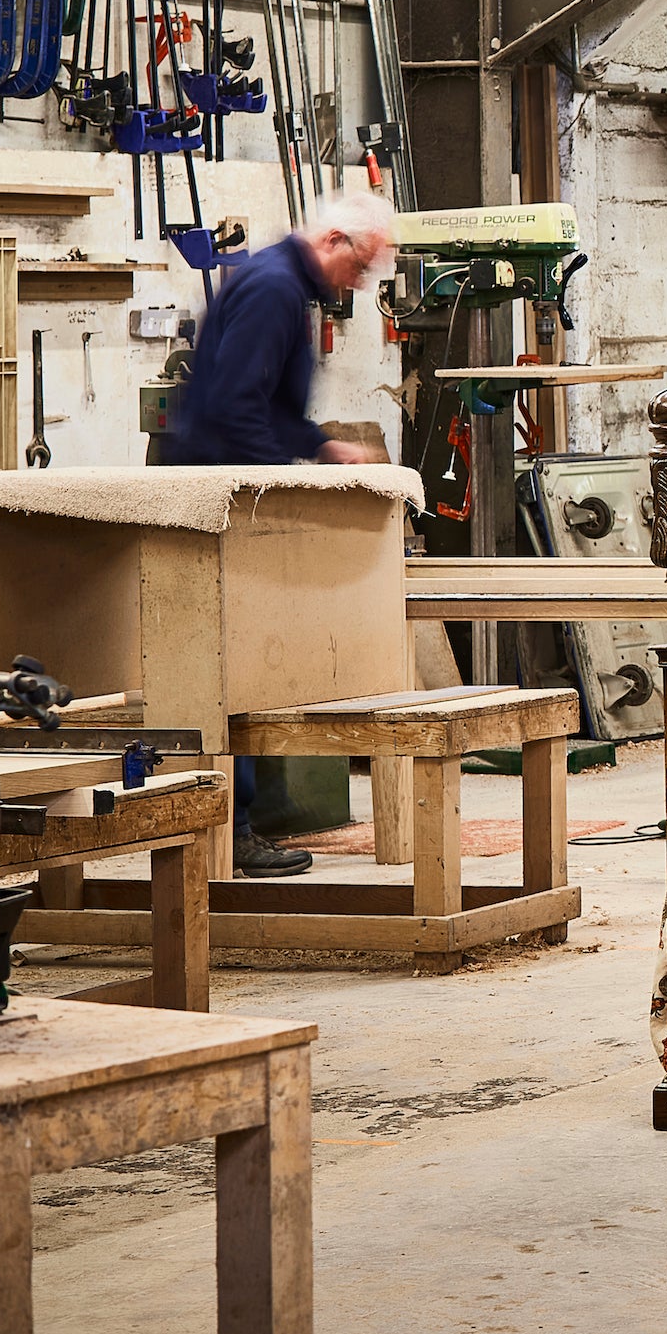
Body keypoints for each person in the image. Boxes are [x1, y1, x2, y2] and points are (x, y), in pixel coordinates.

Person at [159, 188, 398, 875]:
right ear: (333, 243)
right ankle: (228, 831)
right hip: (219, 497)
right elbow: (236, 410)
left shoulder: (276, 281)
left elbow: (262, 405)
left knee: (236, 665)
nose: (359, 284)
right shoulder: (271, 290)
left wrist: (323, 448)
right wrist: (284, 491)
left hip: (221, 483)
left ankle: (234, 824)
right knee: (230, 670)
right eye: (360, 269)